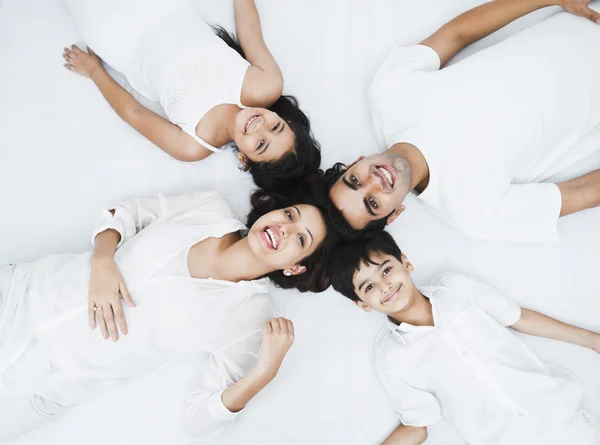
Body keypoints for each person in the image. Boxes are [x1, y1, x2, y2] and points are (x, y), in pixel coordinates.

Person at [0, 188, 337, 440]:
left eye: (301, 239)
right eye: (290, 215)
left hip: (41, 389)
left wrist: (262, 375)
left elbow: (199, 419)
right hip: (20, 292)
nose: (284, 229)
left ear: (295, 268)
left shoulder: (249, 320)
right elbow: (124, 213)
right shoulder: (211, 209)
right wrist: (103, 259)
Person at [326, 0, 600, 242]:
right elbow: (581, 192)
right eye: (372, 203)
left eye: (354, 180)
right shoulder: (471, 212)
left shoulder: (387, 95)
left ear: (353, 163)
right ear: (394, 215)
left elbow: (458, 33)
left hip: (586, 15)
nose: (374, 182)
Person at [329, 230, 600, 445]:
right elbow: (417, 425)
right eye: (369, 287)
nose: (385, 286)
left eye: (386, 270)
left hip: (564, 421)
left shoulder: (455, 288)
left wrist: (593, 340)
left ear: (406, 262)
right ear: (363, 304)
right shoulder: (391, 358)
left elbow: (519, 318)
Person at [61, 0, 321, 190]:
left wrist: (95, 72)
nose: (260, 127)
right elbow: (249, 29)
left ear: (244, 159)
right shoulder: (265, 84)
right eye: (276, 126)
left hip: (118, 37)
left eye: (261, 145)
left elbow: (134, 113)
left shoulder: (193, 145)